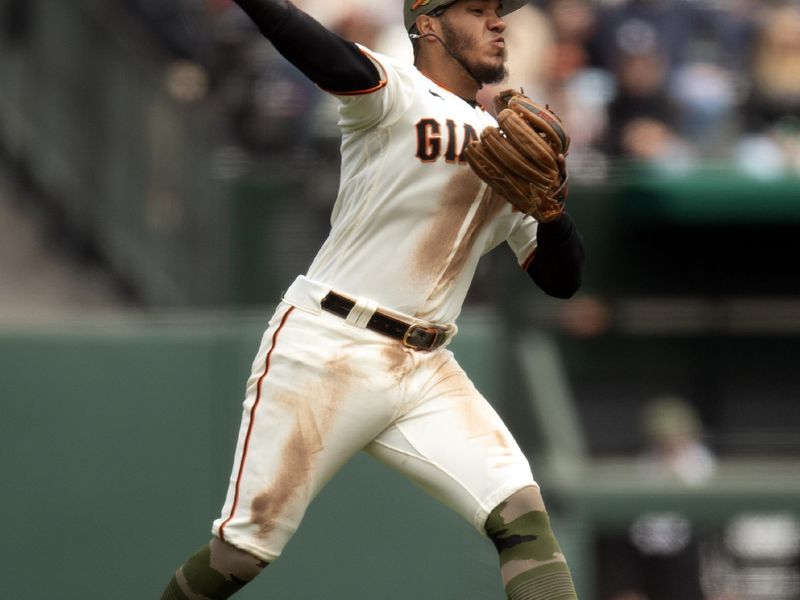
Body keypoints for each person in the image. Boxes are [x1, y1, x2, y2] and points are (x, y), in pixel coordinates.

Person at [160, 1, 585, 599]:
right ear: (429, 25)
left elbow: (561, 278)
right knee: (242, 554)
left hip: (429, 365)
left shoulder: (509, 147)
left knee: (520, 513)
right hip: (329, 346)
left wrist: (554, 213)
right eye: (477, 9)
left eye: (500, 11)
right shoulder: (394, 92)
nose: (499, 22)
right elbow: (312, 46)